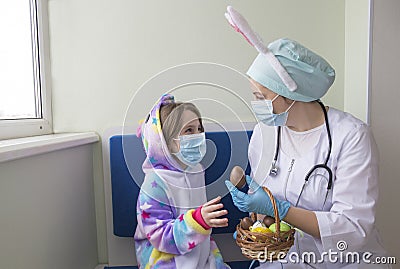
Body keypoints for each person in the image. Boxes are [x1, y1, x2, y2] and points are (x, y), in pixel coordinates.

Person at [224, 8, 389, 268]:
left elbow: (354, 230)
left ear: (290, 93)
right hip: (284, 259)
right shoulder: (264, 134)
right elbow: (267, 208)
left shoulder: (351, 137)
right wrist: (259, 222)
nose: (255, 104)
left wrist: (284, 209)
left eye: (260, 97)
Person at [134, 94, 231, 269]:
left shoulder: (196, 170)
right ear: (165, 142)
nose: (199, 135)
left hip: (200, 251)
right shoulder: (155, 184)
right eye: (189, 131)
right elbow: (159, 235)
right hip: (165, 259)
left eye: (200, 129)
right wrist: (198, 221)